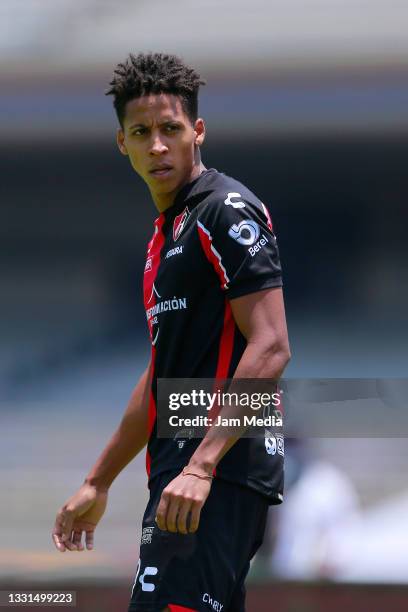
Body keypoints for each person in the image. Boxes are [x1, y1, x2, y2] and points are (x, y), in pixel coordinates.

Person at [52, 52, 291, 612]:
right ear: (122, 143)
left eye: (170, 129)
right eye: (141, 132)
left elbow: (272, 344)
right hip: (185, 475)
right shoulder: (166, 237)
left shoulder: (223, 211)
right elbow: (161, 372)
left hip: (214, 471)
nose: (157, 146)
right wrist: (99, 481)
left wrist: (201, 467)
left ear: (197, 131)